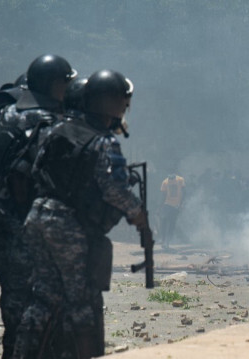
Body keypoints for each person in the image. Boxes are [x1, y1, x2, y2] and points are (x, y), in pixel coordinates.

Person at [14, 70, 147, 359]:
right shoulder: (103, 142)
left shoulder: (57, 130)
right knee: (83, 300)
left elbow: (35, 170)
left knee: (43, 296)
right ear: (114, 104)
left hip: (37, 216)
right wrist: (138, 215)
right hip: (68, 226)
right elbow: (114, 190)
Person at [0, 54, 76, 359]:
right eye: (65, 83)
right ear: (53, 84)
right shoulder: (53, 123)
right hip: (34, 230)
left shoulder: (3, 116)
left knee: (14, 307)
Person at [160, 173, 185, 248]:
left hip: (176, 206)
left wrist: (181, 204)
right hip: (167, 204)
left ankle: (168, 241)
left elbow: (184, 192)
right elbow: (163, 195)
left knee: (172, 224)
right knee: (164, 221)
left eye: (172, 178)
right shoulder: (165, 182)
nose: (171, 179)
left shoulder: (180, 180)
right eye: (169, 178)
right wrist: (161, 206)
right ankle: (163, 240)